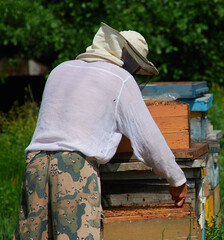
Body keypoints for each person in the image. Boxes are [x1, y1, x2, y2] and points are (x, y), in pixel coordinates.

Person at [15, 22, 188, 240]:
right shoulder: (120, 78)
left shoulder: (59, 70)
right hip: (74, 169)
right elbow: (148, 140)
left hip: (35, 165)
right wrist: (177, 178)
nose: (133, 71)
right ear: (126, 56)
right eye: (135, 66)